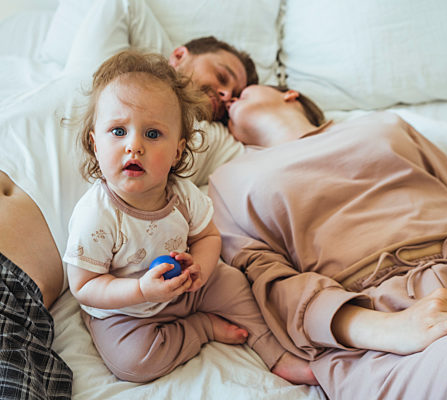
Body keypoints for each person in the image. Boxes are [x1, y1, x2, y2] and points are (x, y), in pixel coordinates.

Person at [0, 35, 257, 398]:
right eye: (222, 74)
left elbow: (271, 148)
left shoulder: (201, 141)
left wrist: (249, 107)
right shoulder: (96, 70)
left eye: (234, 93)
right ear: (179, 53)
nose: (224, 94)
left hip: (0, 296)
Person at [208, 84, 447, 399]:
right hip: (380, 328)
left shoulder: (383, 124)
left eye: (242, 87)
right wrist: (389, 328)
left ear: (290, 93)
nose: (227, 93)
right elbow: (268, 283)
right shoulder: (227, 180)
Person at [62, 50, 291, 383]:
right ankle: (202, 328)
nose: (134, 146)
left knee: (236, 284)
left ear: (177, 151)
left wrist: (201, 268)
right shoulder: (96, 216)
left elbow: (207, 237)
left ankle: (276, 353)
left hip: (186, 286)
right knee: (134, 363)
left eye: (152, 134)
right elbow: (84, 286)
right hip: (125, 311)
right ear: (95, 144)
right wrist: (141, 290)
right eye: (118, 131)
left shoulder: (183, 194)